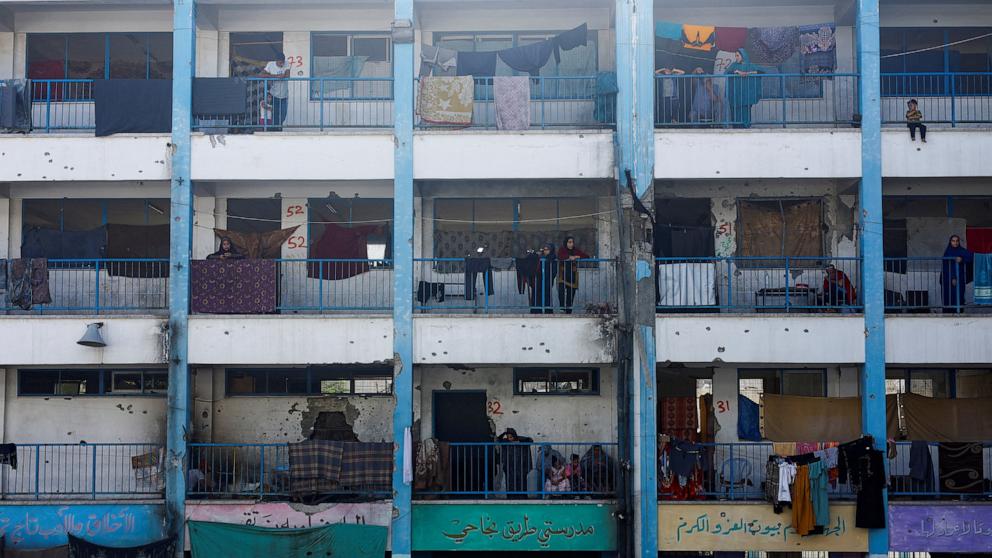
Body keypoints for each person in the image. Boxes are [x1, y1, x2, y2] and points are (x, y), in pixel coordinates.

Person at [726, 50, 763, 129]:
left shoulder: (750, 65)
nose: (736, 57)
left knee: (745, 111)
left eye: (738, 55)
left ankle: (745, 126)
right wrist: (736, 72)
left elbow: (761, 72)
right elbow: (726, 73)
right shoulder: (734, 65)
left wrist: (747, 73)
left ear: (743, 55)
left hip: (746, 95)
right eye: (735, 56)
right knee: (735, 112)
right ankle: (736, 126)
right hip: (736, 94)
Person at [497, 428, 533, 498]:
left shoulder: (521, 442)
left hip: (521, 466)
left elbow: (530, 440)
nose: (509, 438)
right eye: (508, 437)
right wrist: (504, 433)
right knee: (510, 483)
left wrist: (518, 440)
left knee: (522, 483)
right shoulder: (505, 442)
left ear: (514, 435)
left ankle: (522, 497)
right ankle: (511, 497)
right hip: (509, 467)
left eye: (511, 437)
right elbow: (498, 439)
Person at [557, 236, 590, 314]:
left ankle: (569, 311)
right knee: (561, 291)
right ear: (566, 243)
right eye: (569, 242)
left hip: (572, 275)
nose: (571, 244)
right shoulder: (562, 249)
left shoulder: (575, 250)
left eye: (572, 242)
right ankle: (562, 308)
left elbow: (586, 256)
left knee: (571, 294)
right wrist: (569, 257)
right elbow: (559, 256)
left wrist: (578, 256)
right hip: (563, 274)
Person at [941, 234, 973, 312]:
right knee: (948, 297)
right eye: (953, 241)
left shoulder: (961, 251)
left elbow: (971, 257)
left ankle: (959, 313)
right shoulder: (947, 252)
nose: (955, 243)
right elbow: (946, 267)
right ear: (950, 242)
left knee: (959, 296)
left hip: (959, 278)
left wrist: (962, 259)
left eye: (957, 241)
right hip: (947, 279)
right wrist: (952, 277)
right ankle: (947, 315)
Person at [260, 54, 291, 130]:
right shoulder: (270, 64)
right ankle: (276, 130)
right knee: (275, 114)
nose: (281, 64)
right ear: (276, 61)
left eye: (282, 62)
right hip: (274, 94)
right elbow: (261, 75)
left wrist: (282, 76)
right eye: (280, 63)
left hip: (284, 95)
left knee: (283, 114)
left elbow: (287, 76)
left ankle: (278, 128)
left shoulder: (287, 63)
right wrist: (275, 76)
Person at [531, 243, 558, 314]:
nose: (545, 251)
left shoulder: (553, 258)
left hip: (547, 280)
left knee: (547, 295)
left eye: (547, 250)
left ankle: (548, 311)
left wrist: (549, 277)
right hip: (538, 279)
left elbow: (554, 271)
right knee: (536, 294)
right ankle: (536, 310)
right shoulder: (540, 257)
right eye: (544, 250)